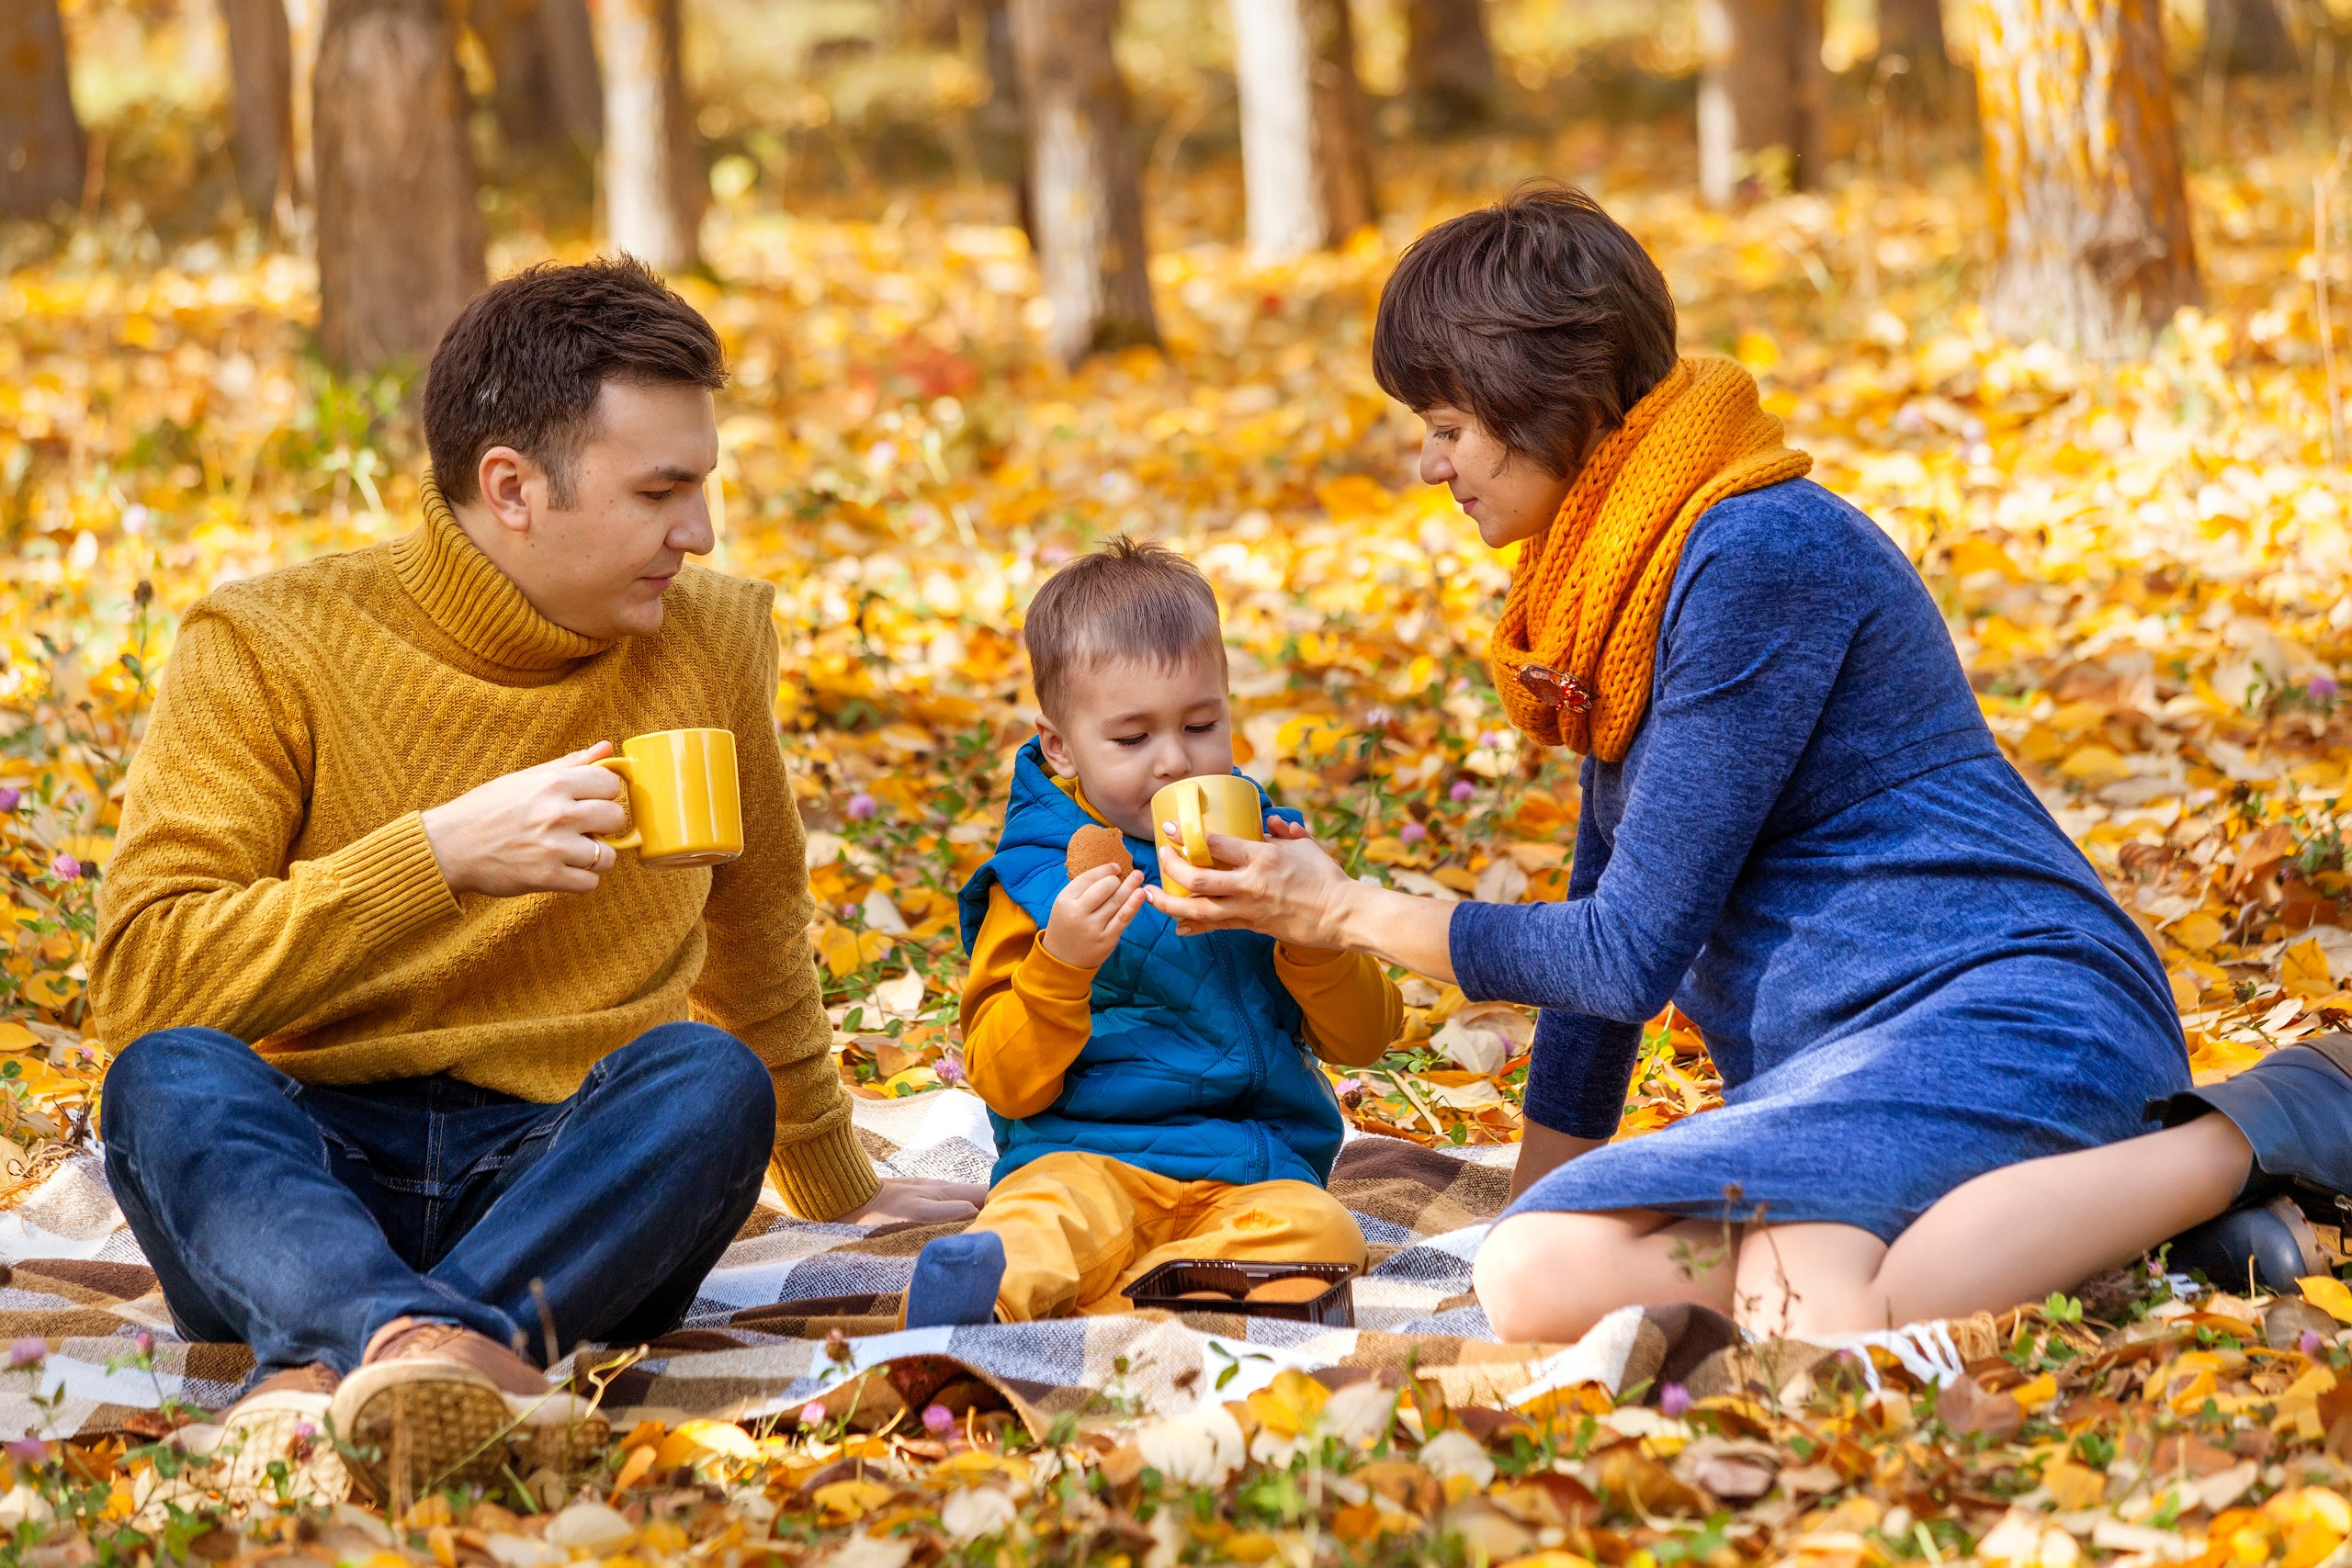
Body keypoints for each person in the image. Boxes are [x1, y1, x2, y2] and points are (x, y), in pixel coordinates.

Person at [1143, 186, 2352, 1345]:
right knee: (1543, 1267)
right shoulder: (1617, 586)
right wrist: (1540, 1199)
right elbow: (1603, 939)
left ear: (1544, 398)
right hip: (1846, 1078)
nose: (1428, 463)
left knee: (1843, 1304)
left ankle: (2251, 1129)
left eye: (1448, 426)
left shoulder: (1755, 555)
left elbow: (1621, 953)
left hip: (2006, 1016)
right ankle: (2160, 1239)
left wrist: (1343, 910)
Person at [90, 258, 980, 1502]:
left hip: (567, 1178)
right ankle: (453, 1353)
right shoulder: (266, 644)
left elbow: (756, 922)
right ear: (511, 487)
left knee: (707, 1080)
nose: (699, 533)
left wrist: (841, 1183)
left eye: (702, 486)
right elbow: (144, 980)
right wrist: (436, 858)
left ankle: (347, 1358)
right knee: (167, 1079)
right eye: (660, 492)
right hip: (304, 1175)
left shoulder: (711, 636)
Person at [899, 539, 1403, 1325]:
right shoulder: (1035, 882)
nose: (1175, 760)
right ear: (1060, 745)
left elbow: (1366, 1039)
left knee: (1323, 1232)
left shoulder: (1269, 856)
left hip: (1252, 1167)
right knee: (1038, 1223)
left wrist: (1315, 929)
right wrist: (1061, 963)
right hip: (1083, 1157)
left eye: (1202, 723)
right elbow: (1003, 1080)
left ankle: (1132, 1296)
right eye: (1132, 739)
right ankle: (982, 1299)